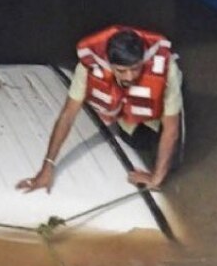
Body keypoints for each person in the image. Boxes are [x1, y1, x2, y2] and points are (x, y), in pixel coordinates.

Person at [17, 25, 183, 193]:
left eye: (135, 68)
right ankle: (125, 115)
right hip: (124, 108)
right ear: (109, 64)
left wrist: (156, 177)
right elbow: (67, 116)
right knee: (134, 141)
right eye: (121, 71)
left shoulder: (167, 70)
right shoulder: (89, 67)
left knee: (171, 163)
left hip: (154, 111)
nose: (130, 77)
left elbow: (171, 129)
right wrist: (47, 166)